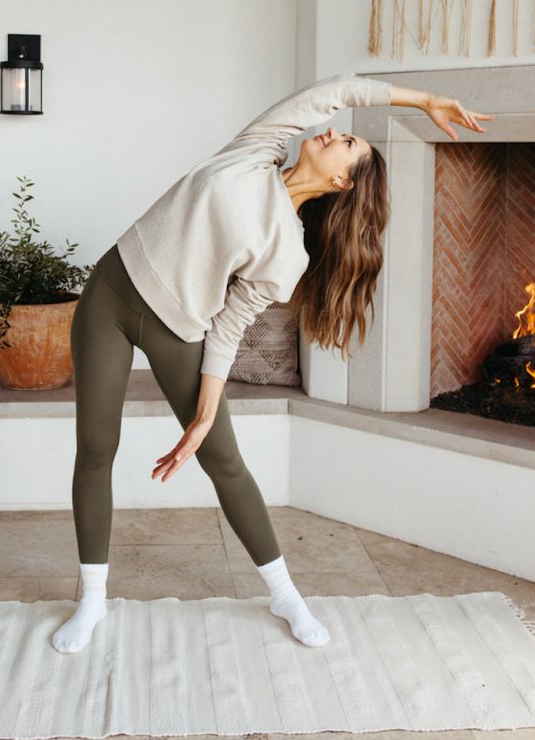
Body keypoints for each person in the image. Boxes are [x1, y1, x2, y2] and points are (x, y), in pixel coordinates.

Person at [52, 75, 491, 654]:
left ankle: (285, 595)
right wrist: (423, 100)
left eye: (348, 146)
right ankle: (92, 600)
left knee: (225, 460)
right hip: (108, 296)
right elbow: (337, 92)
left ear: (340, 181)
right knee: (95, 447)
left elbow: (230, 325)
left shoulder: (289, 251)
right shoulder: (258, 150)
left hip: (178, 330)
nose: (335, 133)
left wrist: (205, 415)